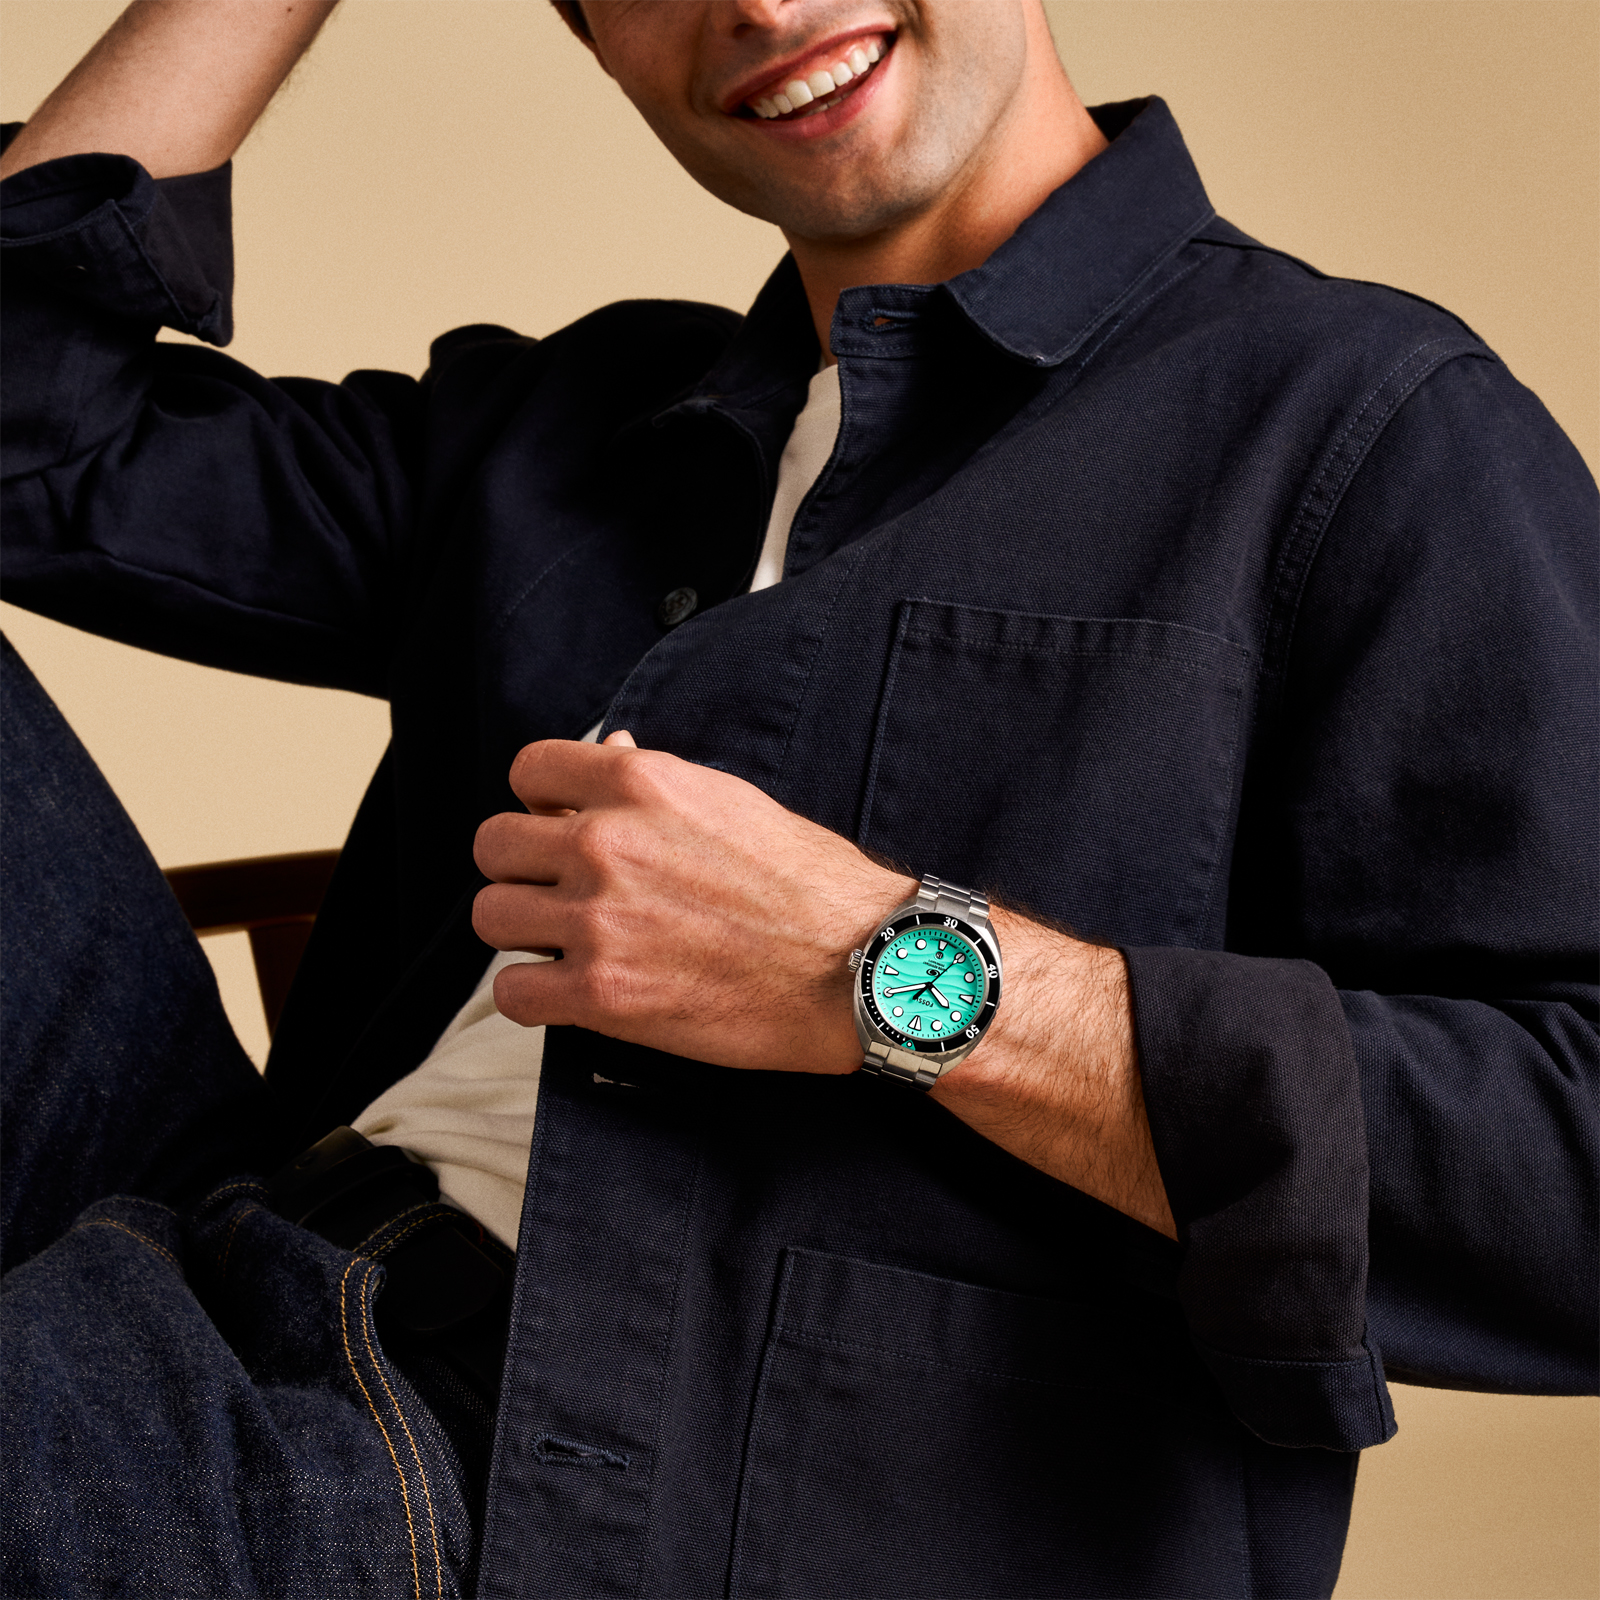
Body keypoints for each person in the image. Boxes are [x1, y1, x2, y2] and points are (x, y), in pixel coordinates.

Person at [1, 0, 1594, 1595]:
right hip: (210, 1255)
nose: (759, 3)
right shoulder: (582, 424)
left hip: (534, 1480)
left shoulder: (1357, 425)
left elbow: (1571, 1181)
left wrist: (885, 969)